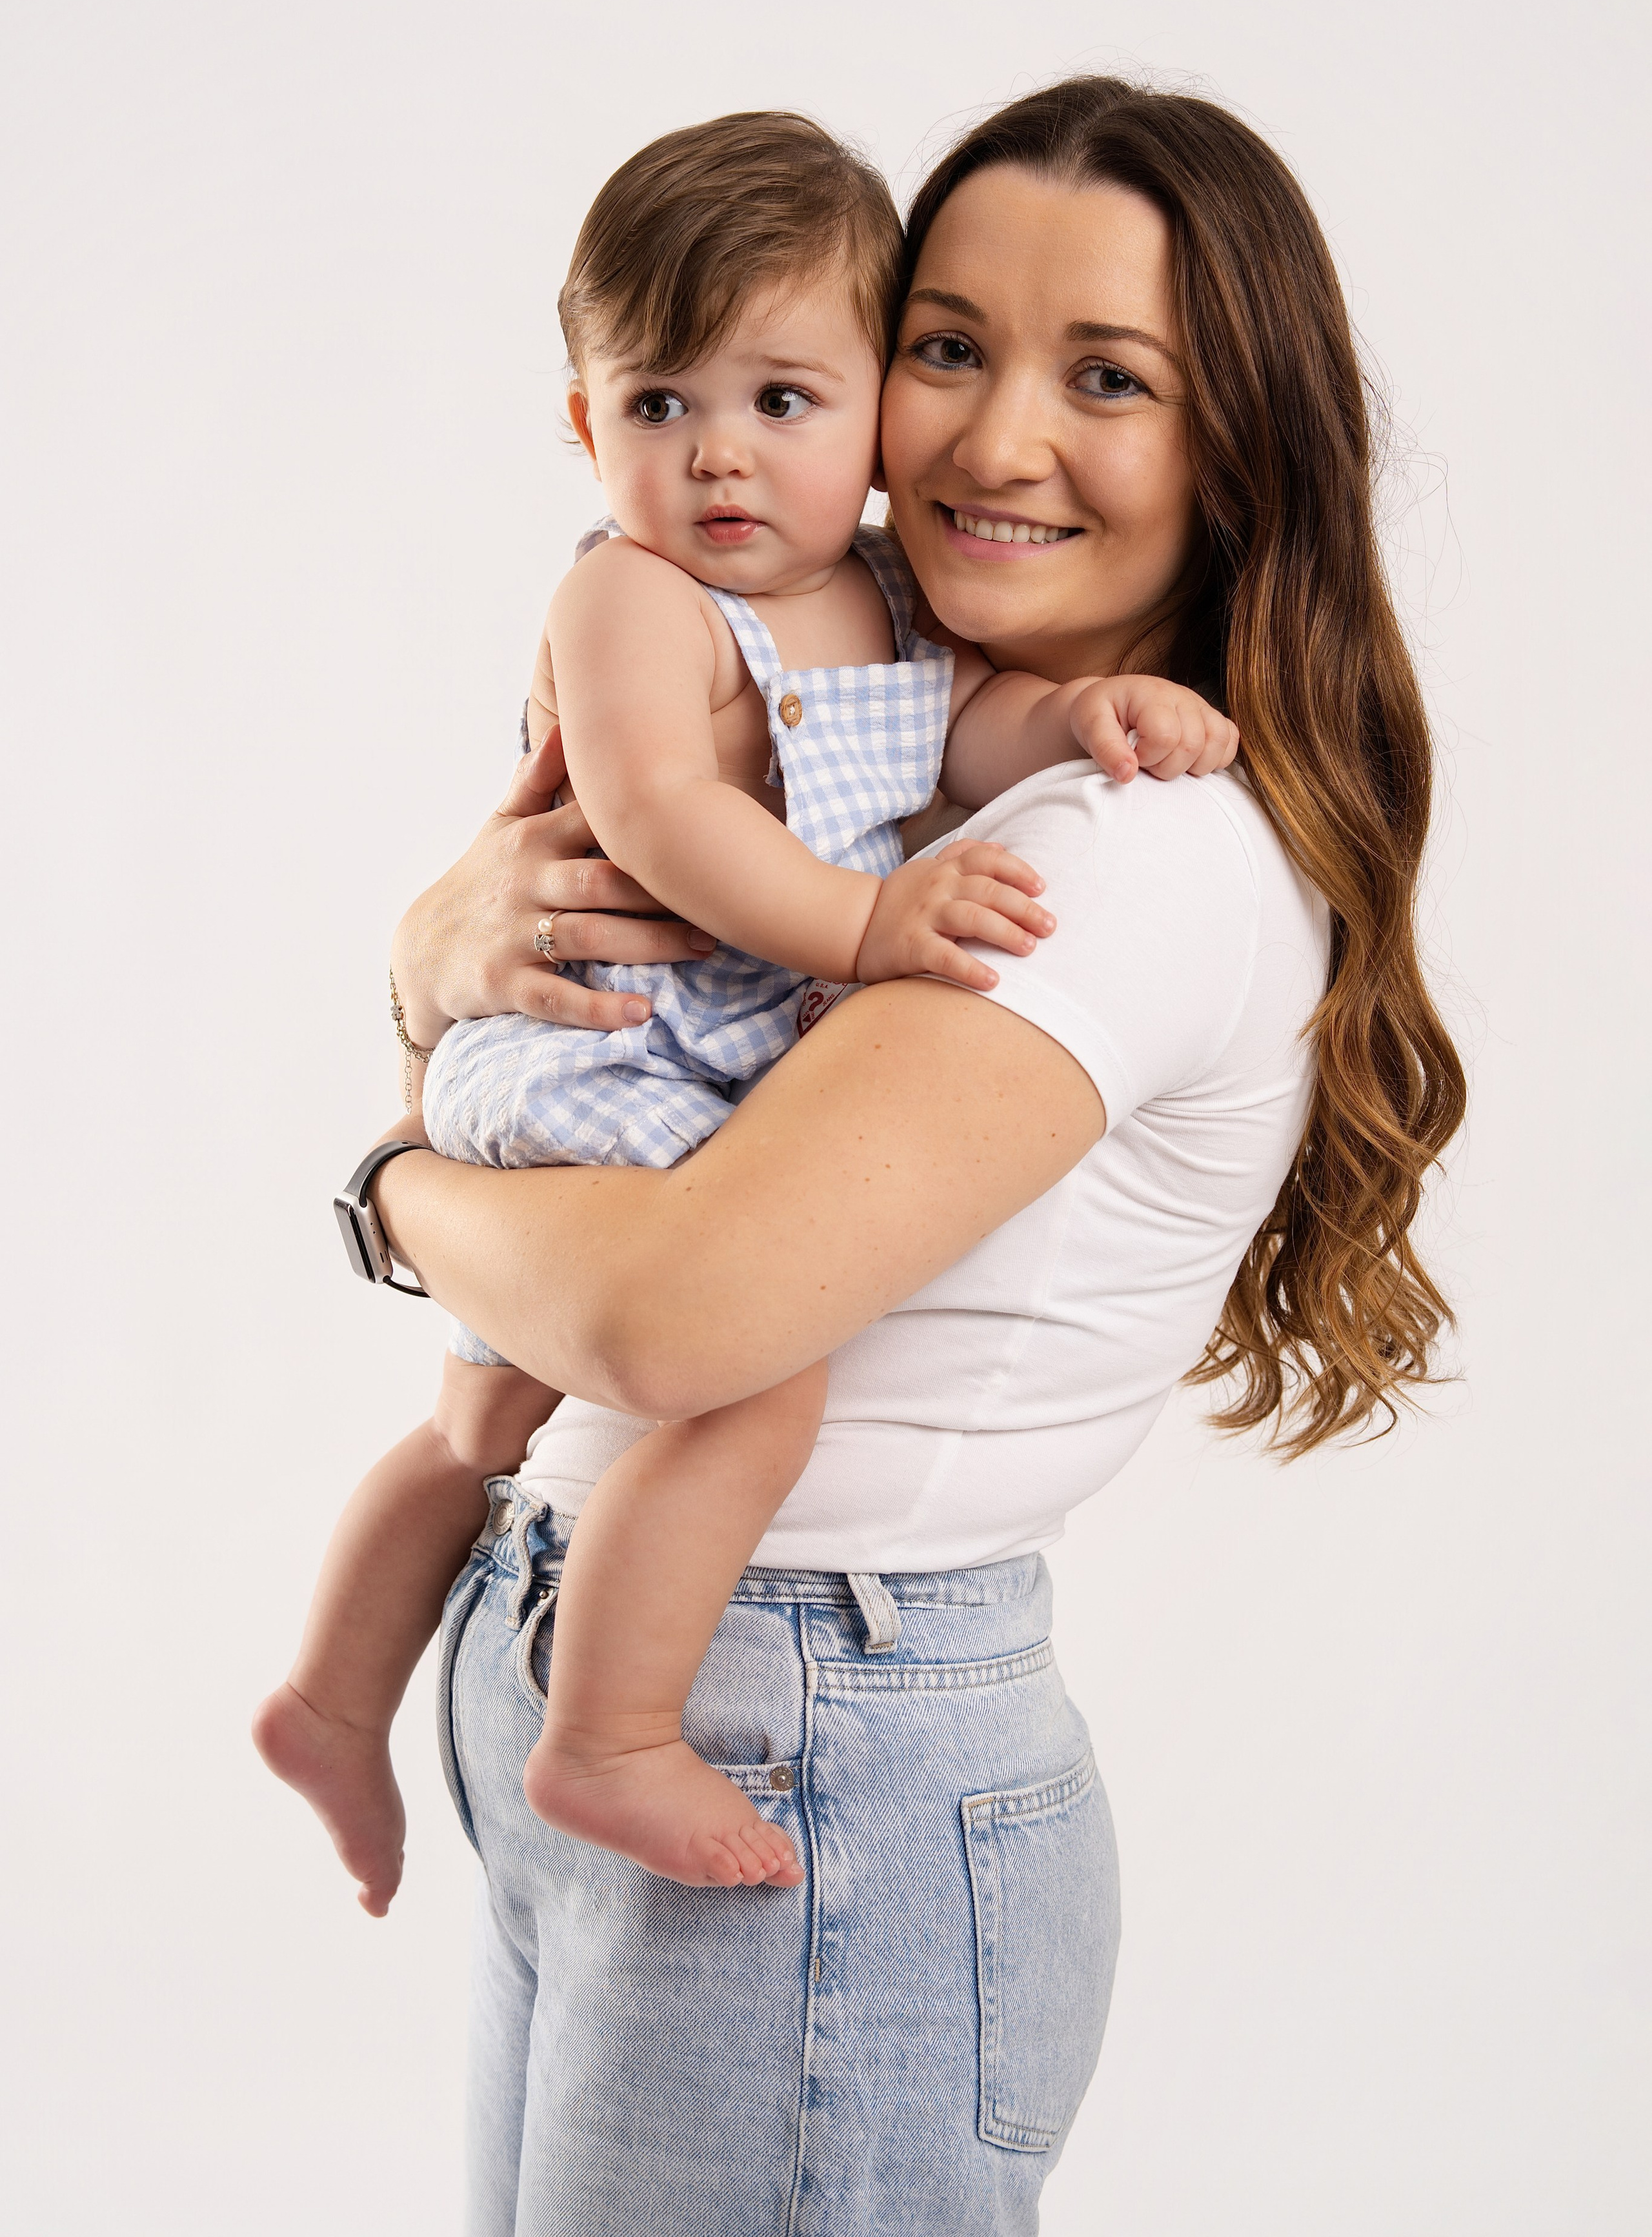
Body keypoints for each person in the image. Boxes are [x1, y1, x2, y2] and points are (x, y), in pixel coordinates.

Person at [355, 76, 1467, 2237]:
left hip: (808, 1731)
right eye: (948, 346)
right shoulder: (871, 733)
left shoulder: (1119, 853)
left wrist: (391, 1172)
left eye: (1109, 378)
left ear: (1240, 450)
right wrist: (436, 958)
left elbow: (678, 1317)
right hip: (667, 1684)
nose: (987, 439)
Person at [253, 113, 1237, 1910]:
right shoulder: (632, 594)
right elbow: (659, 818)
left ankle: (331, 1697)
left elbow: (968, 732)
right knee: (749, 1396)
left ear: (858, 419)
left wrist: (1098, 719)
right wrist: (866, 924)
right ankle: (606, 1734)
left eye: (782, 404)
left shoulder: (881, 602)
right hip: (619, 1045)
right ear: (585, 425)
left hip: (819, 1609)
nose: (719, 459)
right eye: (659, 409)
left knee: (484, 1430)